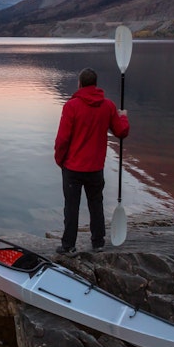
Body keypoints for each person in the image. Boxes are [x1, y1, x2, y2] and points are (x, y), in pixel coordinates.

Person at [54, 68, 129, 255]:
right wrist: (123, 117)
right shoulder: (108, 106)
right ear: (95, 84)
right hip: (95, 167)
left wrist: (59, 159)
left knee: (71, 206)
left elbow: (62, 139)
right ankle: (98, 242)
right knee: (96, 204)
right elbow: (121, 132)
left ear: (79, 83)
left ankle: (68, 245)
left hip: (73, 167)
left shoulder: (71, 106)